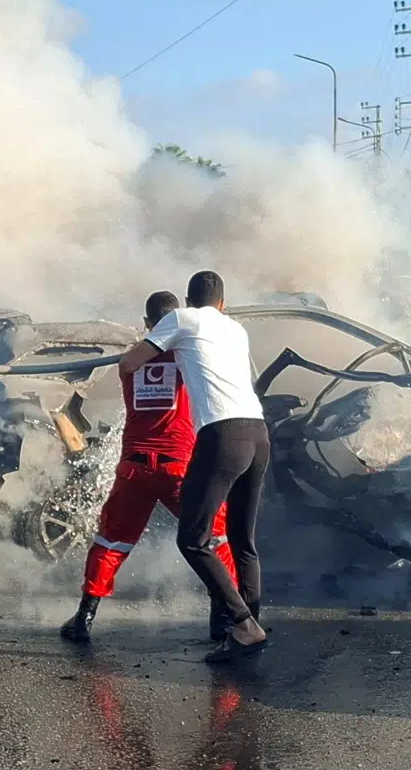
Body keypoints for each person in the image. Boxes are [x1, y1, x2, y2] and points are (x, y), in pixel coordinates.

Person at [60, 291, 239, 644]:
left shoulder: (129, 362)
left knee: (110, 540)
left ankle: (84, 617)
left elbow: (141, 358)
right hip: (180, 468)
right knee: (216, 537)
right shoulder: (190, 356)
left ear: (146, 323)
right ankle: (224, 619)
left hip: (134, 468)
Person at [119, 271, 269, 663]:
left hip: (222, 436)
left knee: (193, 539)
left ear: (188, 300)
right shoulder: (236, 329)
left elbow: (132, 362)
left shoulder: (181, 320)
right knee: (242, 538)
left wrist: (157, 346)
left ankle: (242, 624)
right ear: (222, 302)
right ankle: (248, 623)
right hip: (258, 434)